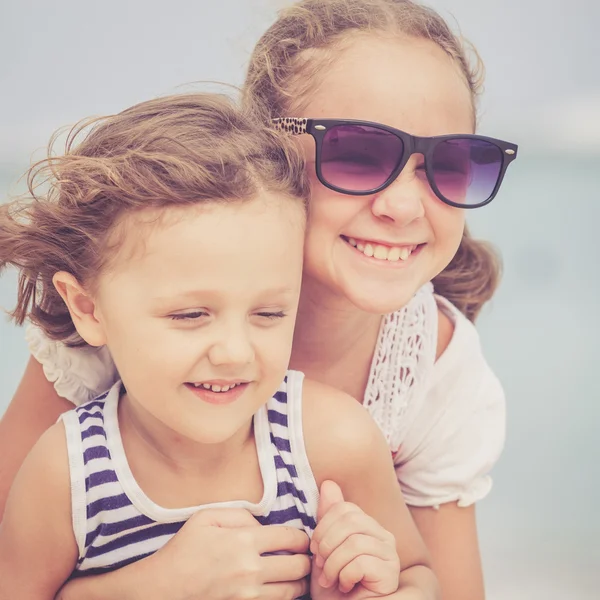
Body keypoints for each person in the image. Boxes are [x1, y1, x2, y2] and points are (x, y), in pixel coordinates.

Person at [0, 1, 518, 598]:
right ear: (265, 151)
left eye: (451, 165)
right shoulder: (125, 304)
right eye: (358, 153)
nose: (402, 207)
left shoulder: (435, 376)